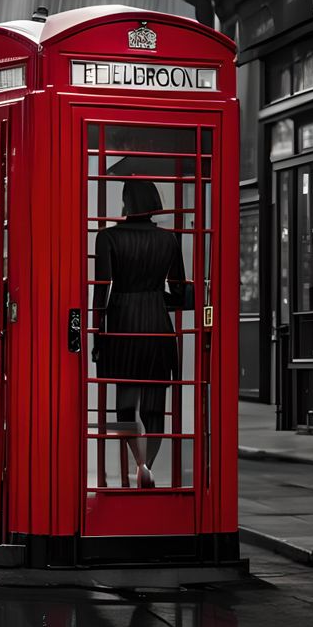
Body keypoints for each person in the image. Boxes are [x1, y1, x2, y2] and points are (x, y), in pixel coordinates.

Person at [93, 179, 188, 489]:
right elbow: (180, 294)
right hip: (158, 325)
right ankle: (148, 464)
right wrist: (155, 296)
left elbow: (100, 294)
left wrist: (96, 336)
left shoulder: (107, 237)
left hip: (121, 323)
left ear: (126, 202)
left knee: (124, 402)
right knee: (154, 404)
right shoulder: (170, 240)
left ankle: (138, 461)